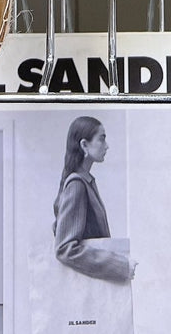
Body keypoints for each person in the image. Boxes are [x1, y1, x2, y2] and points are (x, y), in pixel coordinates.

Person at [52, 116, 137, 283]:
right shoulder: (77, 184)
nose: (107, 146)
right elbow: (64, 248)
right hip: (88, 287)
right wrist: (119, 265)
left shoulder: (85, 182)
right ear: (84, 145)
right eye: (102, 139)